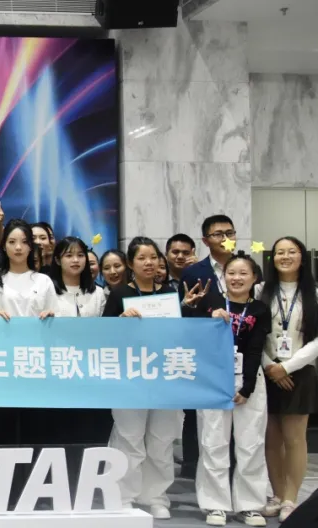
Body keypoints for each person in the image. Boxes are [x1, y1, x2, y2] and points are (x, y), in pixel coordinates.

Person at [105, 236, 197, 520]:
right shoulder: (119, 294)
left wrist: (186, 309)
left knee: (162, 439)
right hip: (130, 377)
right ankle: (123, 495)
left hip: (164, 376)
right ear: (130, 263)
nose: (149, 263)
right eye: (142, 258)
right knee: (129, 437)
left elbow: (181, 336)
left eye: (153, 257)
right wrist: (120, 322)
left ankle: (156, 496)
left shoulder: (170, 293)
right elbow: (102, 335)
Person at [185, 253, 270, 527]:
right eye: (232, 273)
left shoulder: (260, 309)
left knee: (251, 443)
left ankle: (250, 505)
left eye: (244, 273)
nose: (237, 278)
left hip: (248, 380)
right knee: (213, 442)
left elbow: (256, 349)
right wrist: (208, 315)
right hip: (213, 379)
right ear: (224, 276)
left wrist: (248, 387)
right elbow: (190, 331)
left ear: (254, 278)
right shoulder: (211, 301)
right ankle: (215, 504)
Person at [0, 219, 55, 504]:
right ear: (4, 246)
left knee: (35, 429)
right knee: (5, 430)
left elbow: (55, 320)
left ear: (31, 246)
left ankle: (34, 491)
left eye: (23, 242)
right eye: (12, 242)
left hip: (35, 365)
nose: (18, 247)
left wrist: (50, 317)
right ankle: (5, 492)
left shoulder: (43, 281)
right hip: (3, 366)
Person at [258, 237, 318, 522]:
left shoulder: (314, 293)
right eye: (280, 252)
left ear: (302, 258)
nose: (285, 256)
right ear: (272, 259)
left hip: (300, 372)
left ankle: (291, 499)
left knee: (294, 438)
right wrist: (270, 365)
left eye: (291, 252)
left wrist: (289, 367)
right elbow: (252, 334)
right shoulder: (260, 291)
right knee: (271, 438)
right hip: (266, 371)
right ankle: (277, 494)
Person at [48, 237, 110, 486]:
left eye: (80, 255)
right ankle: (59, 484)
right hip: (56, 373)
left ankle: (86, 484)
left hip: (90, 373)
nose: (75, 260)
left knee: (88, 430)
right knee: (60, 430)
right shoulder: (48, 291)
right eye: (69, 255)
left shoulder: (98, 293)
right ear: (57, 260)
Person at [180, 215, 237, 482]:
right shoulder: (194, 272)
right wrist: (197, 309)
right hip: (206, 354)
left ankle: (235, 473)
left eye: (229, 232)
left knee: (241, 420)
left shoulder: (246, 267)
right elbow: (185, 317)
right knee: (205, 421)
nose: (225, 238)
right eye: (218, 234)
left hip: (240, 352)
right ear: (205, 241)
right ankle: (200, 471)